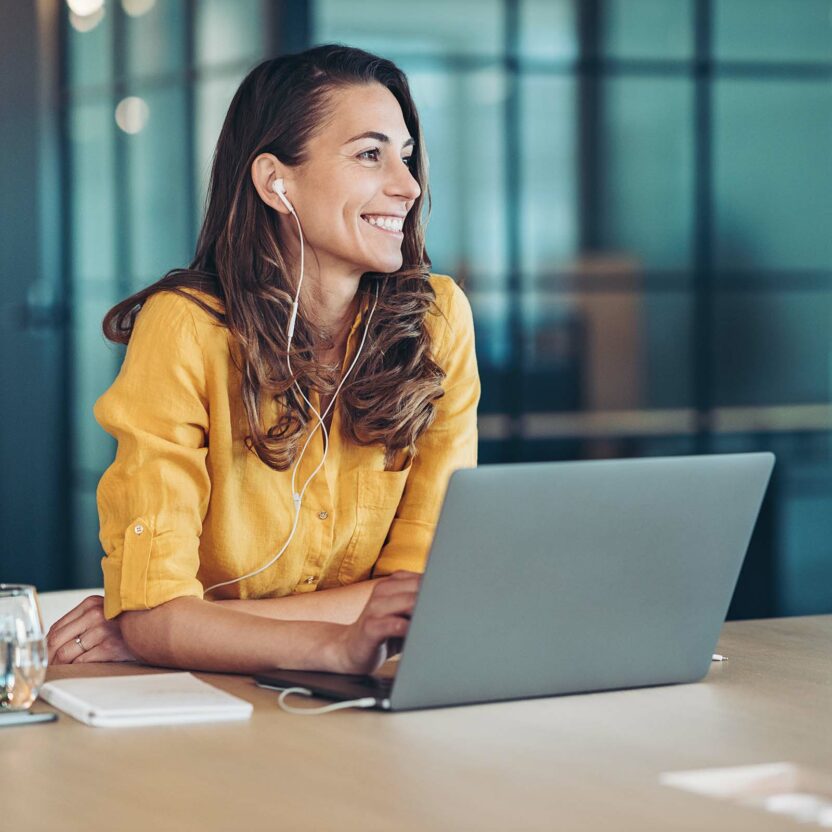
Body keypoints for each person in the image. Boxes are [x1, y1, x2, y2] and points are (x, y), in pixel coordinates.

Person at [46, 44, 479, 677]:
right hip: (214, 706)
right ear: (277, 181)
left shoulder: (439, 321)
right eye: (369, 154)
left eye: (407, 157)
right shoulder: (187, 328)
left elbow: (421, 599)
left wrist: (180, 630)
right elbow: (156, 611)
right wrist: (331, 639)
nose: (408, 186)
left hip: (371, 699)